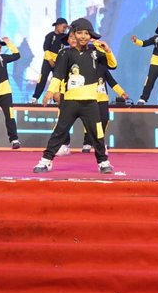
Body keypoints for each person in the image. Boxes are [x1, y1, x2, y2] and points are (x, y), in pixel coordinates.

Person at [32, 17, 115, 175]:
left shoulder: (95, 52)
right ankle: (46, 161)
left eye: (86, 33)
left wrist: (108, 51)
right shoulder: (65, 53)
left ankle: (103, 162)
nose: (83, 36)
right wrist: (50, 91)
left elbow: (113, 65)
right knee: (59, 131)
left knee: (97, 133)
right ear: (74, 34)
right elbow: (58, 74)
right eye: (80, 33)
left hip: (90, 102)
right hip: (70, 102)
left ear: (91, 35)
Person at [30, 17, 71, 102]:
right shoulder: (50, 35)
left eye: (66, 28)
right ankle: (35, 97)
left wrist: (71, 30)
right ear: (57, 25)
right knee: (42, 78)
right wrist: (49, 59)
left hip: (59, 61)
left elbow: (70, 41)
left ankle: (56, 100)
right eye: (63, 27)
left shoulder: (64, 37)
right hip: (48, 60)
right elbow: (45, 48)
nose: (64, 29)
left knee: (57, 80)